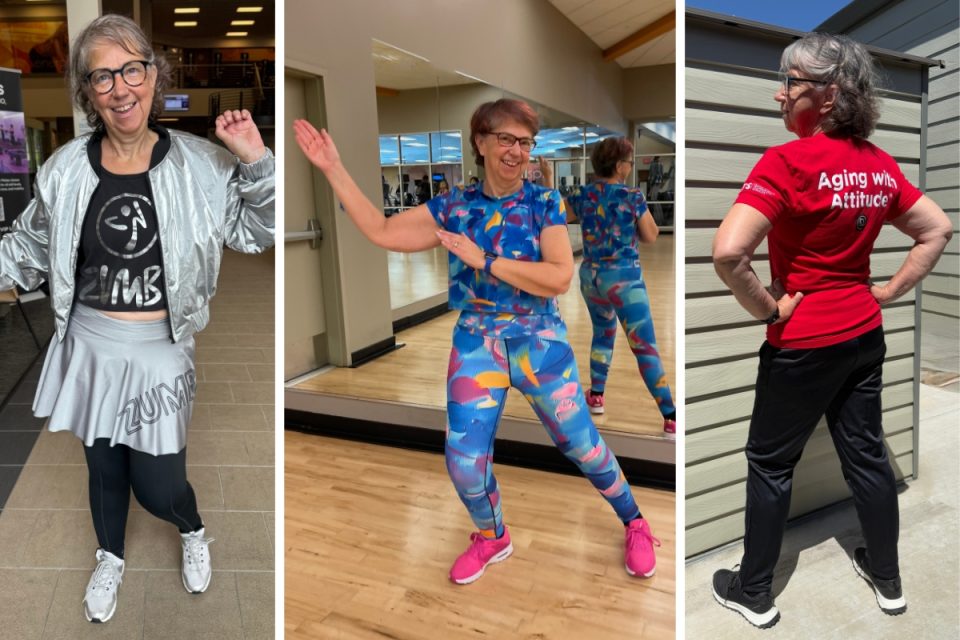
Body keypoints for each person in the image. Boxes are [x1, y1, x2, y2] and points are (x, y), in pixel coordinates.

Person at [293, 98, 662, 585]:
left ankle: (635, 522)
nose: (517, 151)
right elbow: (383, 231)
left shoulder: (543, 202)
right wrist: (334, 169)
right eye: (506, 139)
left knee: (584, 447)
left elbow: (557, 277)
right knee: (463, 463)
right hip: (477, 344)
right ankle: (493, 536)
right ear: (481, 143)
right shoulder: (453, 206)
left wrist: (483, 259)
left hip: (539, 340)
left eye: (525, 142)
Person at [0, 14, 275, 623]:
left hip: (159, 347)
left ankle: (191, 527)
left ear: (154, 74)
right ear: (87, 91)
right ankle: (110, 556)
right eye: (103, 76)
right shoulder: (65, 169)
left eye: (132, 68)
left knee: (157, 480)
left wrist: (256, 163)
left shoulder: (203, 164)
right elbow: (25, 247)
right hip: (89, 346)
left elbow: (260, 231)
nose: (121, 87)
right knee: (103, 468)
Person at [710, 33, 951, 629]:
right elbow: (937, 229)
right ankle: (889, 580)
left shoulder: (785, 162)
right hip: (863, 338)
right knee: (866, 457)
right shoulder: (877, 162)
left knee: (770, 463)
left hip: (804, 345)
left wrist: (769, 311)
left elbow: (727, 253)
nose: (778, 93)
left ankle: (754, 590)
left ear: (828, 95)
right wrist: (889, 293)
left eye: (790, 82)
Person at [548, 137, 677, 438]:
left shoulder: (582, 194)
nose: (631, 168)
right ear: (619, 166)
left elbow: (556, 217)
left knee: (603, 335)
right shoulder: (631, 196)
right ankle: (670, 416)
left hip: (591, 278)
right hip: (624, 280)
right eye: (630, 163)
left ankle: (596, 396)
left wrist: (550, 182)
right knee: (644, 347)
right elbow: (650, 235)